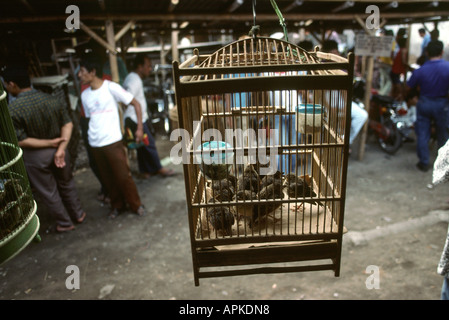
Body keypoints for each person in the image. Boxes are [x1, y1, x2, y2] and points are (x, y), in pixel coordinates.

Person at [1, 64, 86, 233]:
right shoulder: (52, 99)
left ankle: (64, 222)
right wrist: (60, 148)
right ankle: (78, 214)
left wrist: (49, 144)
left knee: (49, 191)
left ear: (12, 84)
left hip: (36, 157)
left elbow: (21, 141)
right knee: (67, 183)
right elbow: (67, 123)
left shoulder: (12, 110)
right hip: (61, 151)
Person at [78, 56, 146, 219]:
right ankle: (117, 206)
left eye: (82, 71)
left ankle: (136, 204)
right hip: (95, 141)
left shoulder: (110, 88)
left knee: (123, 176)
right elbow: (89, 118)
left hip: (113, 140)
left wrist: (139, 128)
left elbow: (136, 103)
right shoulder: (85, 95)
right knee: (107, 178)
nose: (79, 75)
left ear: (93, 72)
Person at [122, 54, 174, 178]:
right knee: (149, 144)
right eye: (148, 66)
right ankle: (159, 168)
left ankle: (146, 171)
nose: (149, 69)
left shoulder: (133, 78)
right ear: (140, 67)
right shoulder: (134, 79)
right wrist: (139, 126)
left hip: (135, 118)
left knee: (142, 146)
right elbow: (128, 100)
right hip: (135, 118)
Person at [406, 40, 449, 172]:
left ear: (426, 52)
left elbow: (408, 87)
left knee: (423, 133)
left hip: (424, 103)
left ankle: (424, 162)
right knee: (443, 134)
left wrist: (412, 98)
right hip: (442, 104)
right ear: (441, 52)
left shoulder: (421, 70)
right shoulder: (447, 67)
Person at [390, 37, 409, 101]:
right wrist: (409, 67)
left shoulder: (400, 50)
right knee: (399, 89)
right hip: (396, 71)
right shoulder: (403, 50)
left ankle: (393, 100)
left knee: (394, 87)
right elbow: (403, 61)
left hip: (395, 70)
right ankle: (401, 100)